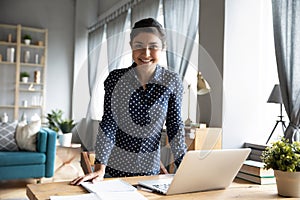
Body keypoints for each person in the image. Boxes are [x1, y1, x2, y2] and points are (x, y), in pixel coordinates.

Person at [71, 18, 187, 185]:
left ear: (162, 48)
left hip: (150, 174)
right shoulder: (116, 79)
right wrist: (100, 167)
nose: (146, 53)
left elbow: (175, 127)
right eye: (139, 45)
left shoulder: (171, 81)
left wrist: (183, 169)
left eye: (153, 47)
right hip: (114, 171)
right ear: (131, 46)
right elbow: (109, 123)